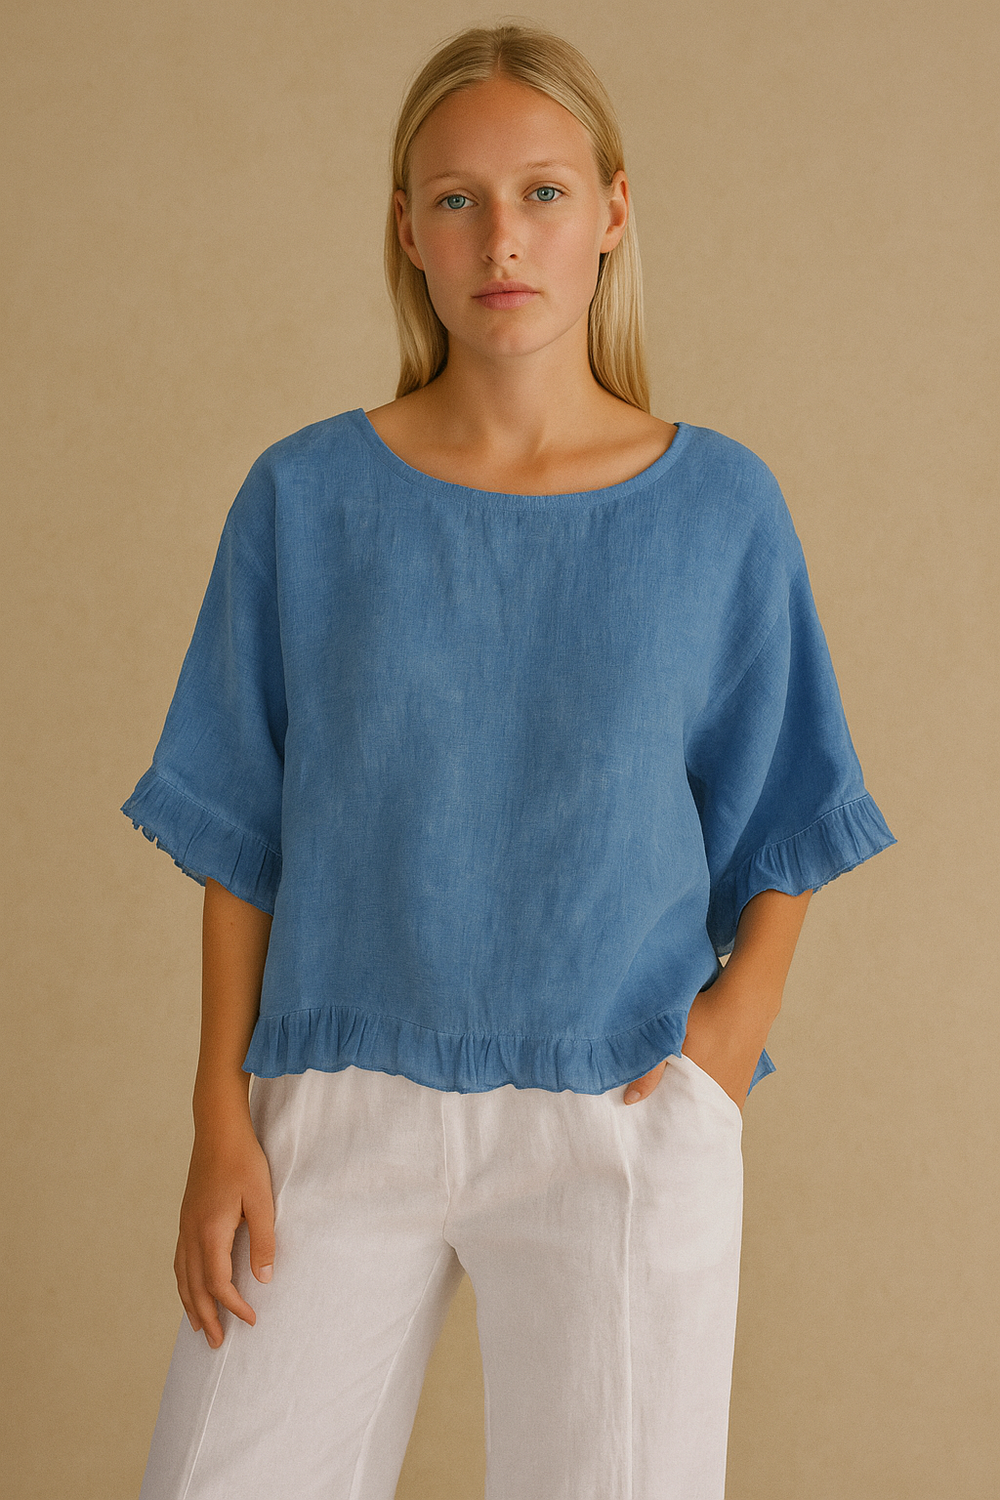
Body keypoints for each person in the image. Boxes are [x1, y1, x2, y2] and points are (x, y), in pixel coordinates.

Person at [120, 20, 897, 1500]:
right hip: (334, 1099)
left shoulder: (718, 506)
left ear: (613, 211)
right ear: (406, 230)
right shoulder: (303, 499)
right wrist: (220, 1112)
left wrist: (722, 1053)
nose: (502, 238)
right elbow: (242, 832)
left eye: (542, 192)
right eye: (456, 198)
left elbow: (791, 804)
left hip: (620, 1105)